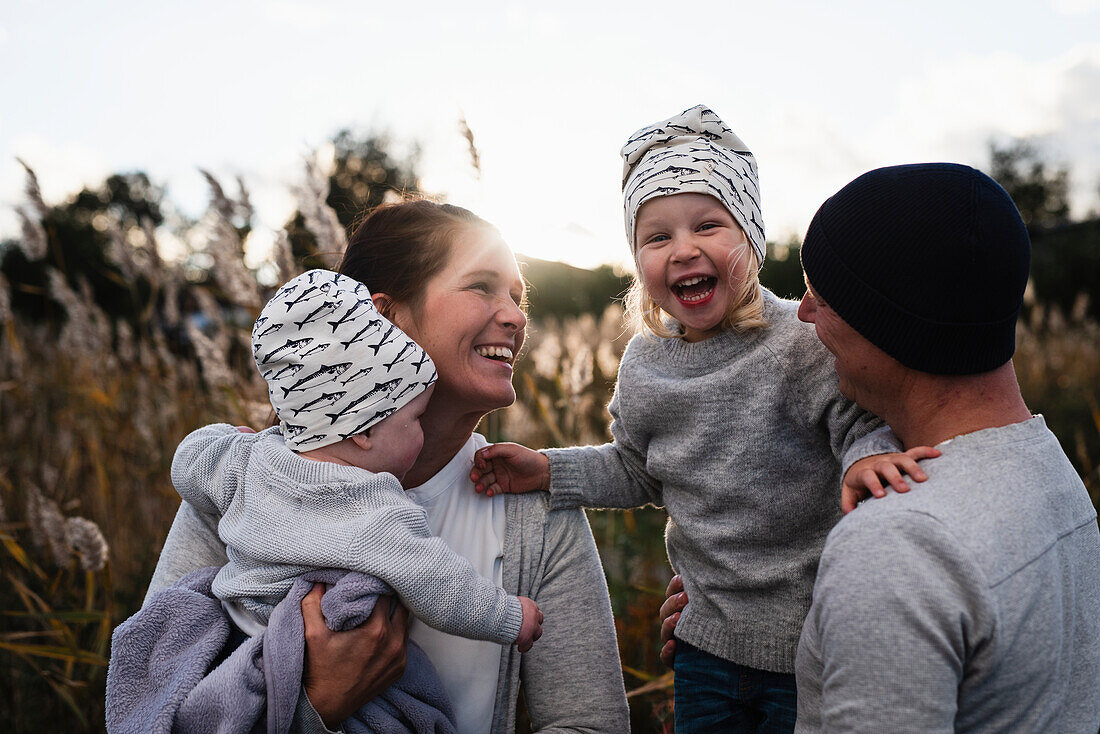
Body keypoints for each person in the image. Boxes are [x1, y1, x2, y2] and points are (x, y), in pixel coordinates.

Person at [468, 105, 934, 734]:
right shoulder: (644, 362)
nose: (683, 250)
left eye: (708, 225)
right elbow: (636, 469)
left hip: (811, 644)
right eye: (656, 237)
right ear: (638, 262)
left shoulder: (799, 342)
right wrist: (547, 469)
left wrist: (866, 459)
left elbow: (857, 428)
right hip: (702, 647)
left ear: (751, 236)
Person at [143, 200, 629, 734]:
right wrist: (320, 703)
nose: (516, 316)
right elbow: (153, 705)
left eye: (517, 296)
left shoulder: (535, 510)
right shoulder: (248, 487)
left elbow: (589, 725)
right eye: (481, 287)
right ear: (382, 318)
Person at [793, 162, 1100, 731]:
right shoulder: (1049, 467)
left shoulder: (899, 549)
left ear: (888, 323)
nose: (803, 312)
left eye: (822, 296)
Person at [170, 268, 542, 653]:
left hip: (230, 638)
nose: (421, 431)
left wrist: (229, 438)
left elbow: (188, 462)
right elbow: (440, 583)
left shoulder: (250, 460)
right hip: (300, 659)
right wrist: (510, 616)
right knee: (417, 710)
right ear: (361, 433)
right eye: (415, 419)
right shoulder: (373, 508)